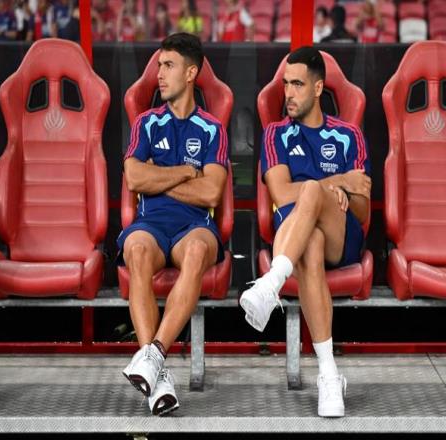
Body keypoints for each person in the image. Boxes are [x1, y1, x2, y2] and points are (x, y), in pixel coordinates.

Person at [240, 47, 371, 417]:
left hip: (341, 237)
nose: (289, 93)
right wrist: (338, 183)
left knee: (312, 190)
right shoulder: (275, 134)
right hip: (297, 239)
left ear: (317, 88)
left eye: (297, 84)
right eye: (285, 84)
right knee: (309, 238)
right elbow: (281, 194)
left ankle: (271, 283)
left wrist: (333, 191)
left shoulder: (348, 135)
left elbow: (362, 211)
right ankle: (329, 375)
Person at [118, 32, 228, 416]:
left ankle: (153, 357)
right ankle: (158, 372)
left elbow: (211, 193)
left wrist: (158, 175)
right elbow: (134, 178)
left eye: (168, 66)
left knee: (196, 251)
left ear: (191, 73)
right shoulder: (146, 124)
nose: (159, 75)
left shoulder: (212, 128)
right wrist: (184, 172)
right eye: (159, 66)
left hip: (195, 226)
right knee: (136, 250)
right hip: (150, 224)